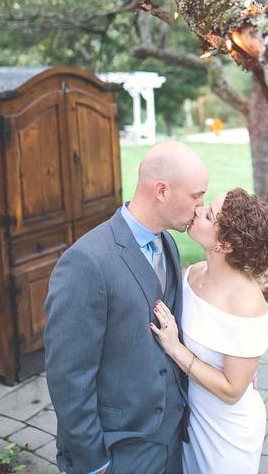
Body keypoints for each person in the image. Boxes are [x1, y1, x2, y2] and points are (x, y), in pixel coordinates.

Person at [44, 141, 208, 474]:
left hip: (171, 439)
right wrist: (93, 461)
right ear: (161, 190)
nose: (200, 207)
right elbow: (69, 375)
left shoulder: (169, 243)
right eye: (196, 196)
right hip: (120, 449)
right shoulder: (86, 261)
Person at [150, 188, 268, 474]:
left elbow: (233, 390)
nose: (198, 210)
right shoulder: (193, 273)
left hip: (226, 429)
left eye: (208, 215)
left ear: (225, 244)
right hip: (189, 414)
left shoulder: (247, 304)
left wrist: (175, 348)